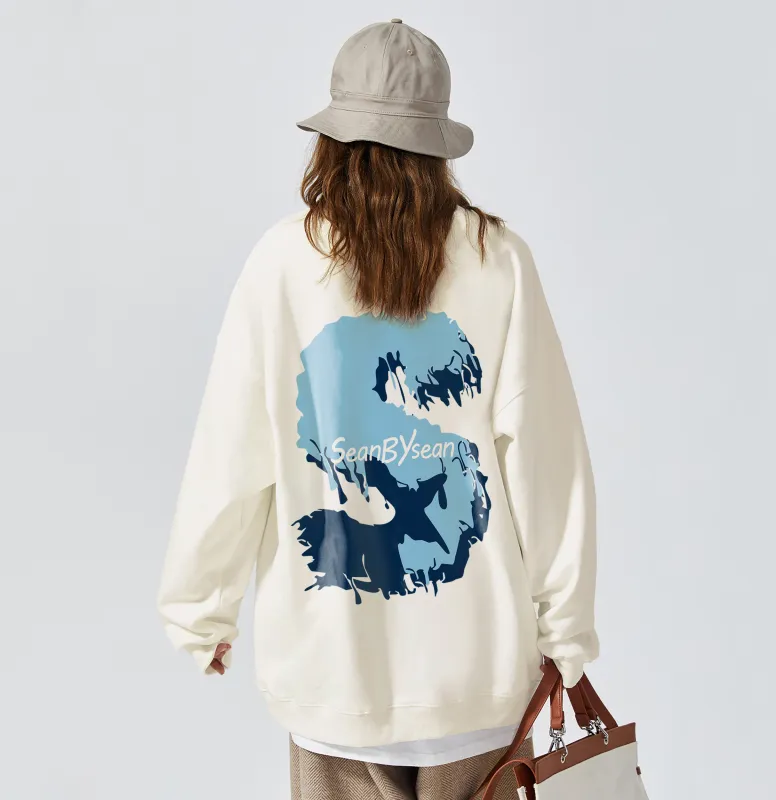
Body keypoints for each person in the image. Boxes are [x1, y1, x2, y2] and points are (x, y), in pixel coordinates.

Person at [158, 18, 599, 800]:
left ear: (332, 141)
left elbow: (231, 453)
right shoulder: (497, 261)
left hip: (332, 679)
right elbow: (546, 459)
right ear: (437, 146)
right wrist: (564, 634)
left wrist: (202, 608)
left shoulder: (282, 262)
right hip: (475, 686)